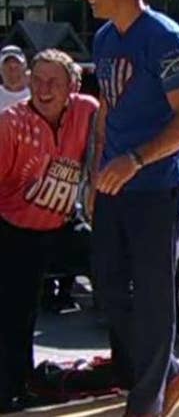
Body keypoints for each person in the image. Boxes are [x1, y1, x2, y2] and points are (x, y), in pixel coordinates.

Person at [82, 0, 179, 417]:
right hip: (114, 182)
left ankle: (148, 401)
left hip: (157, 184)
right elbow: (108, 110)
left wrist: (135, 158)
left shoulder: (166, 38)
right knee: (107, 284)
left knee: (153, 294)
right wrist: (97, 174)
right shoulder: (105, 39)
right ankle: (170, 372)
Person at [0, 50, 98, 413]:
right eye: (37, 80)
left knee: (115, 270)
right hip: (14, 229)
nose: (43, 89)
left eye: (53, 82)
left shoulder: (87, 110)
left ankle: (133, 367)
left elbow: (103, 141)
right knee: (16, 315)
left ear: (72, 85)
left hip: (61, 224)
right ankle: (12, 388)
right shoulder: (10, 124)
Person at [0, 45, 29, 110]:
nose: (13, 70)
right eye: (8, 66)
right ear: (0, 69)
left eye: (16, 66)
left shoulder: (36, 97)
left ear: (24, 67)